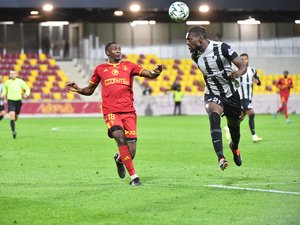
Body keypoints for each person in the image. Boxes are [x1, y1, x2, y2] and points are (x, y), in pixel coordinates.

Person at [66, 41, 162, 186]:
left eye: (119, 48)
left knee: (131, 152)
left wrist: (156, 72)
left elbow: (150, 74)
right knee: (120, 138)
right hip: (111, 112)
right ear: (107, 53)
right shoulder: (100, 69)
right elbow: (90, 90)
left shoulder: (129, 66)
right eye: (114, 48)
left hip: (129, 112)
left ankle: (119, 160)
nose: (118, 50)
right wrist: (78, 89)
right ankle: (134, 178)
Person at [186, 26, 247, 170]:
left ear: (200, 38)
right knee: (213, 114)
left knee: (235, 130)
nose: (187, 43)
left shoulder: (222, 48)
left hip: (231, 94)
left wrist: (237, 73)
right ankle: (221, 157)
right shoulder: (195, 56)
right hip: (212, 93)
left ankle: (234, 147)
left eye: (189, 39)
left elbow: (242, 66)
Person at [224, 53, 262, 142]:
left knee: (240, 117)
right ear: (240, 60)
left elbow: (259, 82)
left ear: (248, 60)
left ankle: (228, 128)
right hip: (240, 97)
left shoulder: (253, 70)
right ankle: (254, 136)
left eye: (246, 59)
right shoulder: (236, 70)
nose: (244, 60)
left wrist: (257, 81)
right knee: (251, 113)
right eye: (242, 59)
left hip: (248, 97)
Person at [1, 70, 31, 139]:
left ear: (16, 74)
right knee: (12, 115)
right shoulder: (7, 82)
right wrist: (2, 95)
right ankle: (13, 131)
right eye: (11, 74)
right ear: (10, 75)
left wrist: (26, 94)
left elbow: (27, 89)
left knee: (16, 116)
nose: (12, 75)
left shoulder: (20, 81)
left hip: (18, 101)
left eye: (14, 74)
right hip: (10, 101)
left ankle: (14, 122)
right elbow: (5, 90)